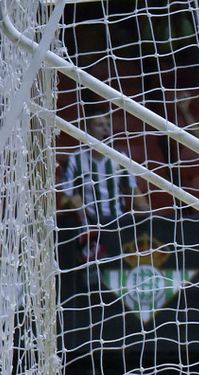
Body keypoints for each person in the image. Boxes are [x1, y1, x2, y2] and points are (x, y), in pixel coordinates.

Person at [57, 110, 143, 264]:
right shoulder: (76, 160)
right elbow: (64, 200)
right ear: (87, 130)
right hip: (89, 229)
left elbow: (136, 197)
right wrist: (74, 203)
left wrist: (155, 219)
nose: (105, 129)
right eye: (99, 125)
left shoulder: (120, 158)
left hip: (117, 225)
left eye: (108, 125)